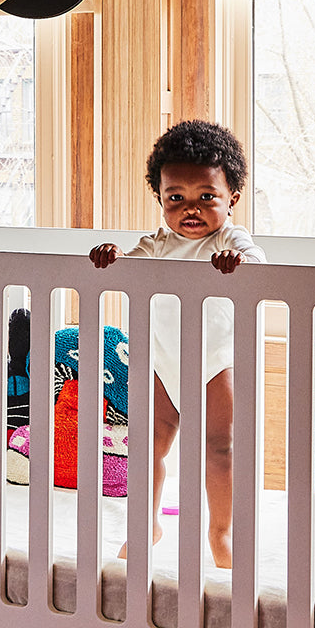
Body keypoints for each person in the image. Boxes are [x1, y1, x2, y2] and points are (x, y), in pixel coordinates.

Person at [89, 120, 265, 569]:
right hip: (162, 363)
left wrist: (239, 263)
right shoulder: (158, 244)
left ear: (232, 200)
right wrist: (112, 258)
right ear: (161, 200)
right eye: (176, 197)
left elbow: (259, 263)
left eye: (207, 196)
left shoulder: (229, 240)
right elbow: (129, 267)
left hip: (215, 363)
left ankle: (220, 531)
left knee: (220, 450)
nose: (191, 207)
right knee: (147, 448)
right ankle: (145, 523)